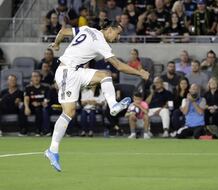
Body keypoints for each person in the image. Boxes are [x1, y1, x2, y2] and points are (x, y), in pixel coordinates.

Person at [44, 21, 150, 172]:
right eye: (118, 33)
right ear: (109, 29)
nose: (118, 37)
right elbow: (118, 66)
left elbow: (62, 32)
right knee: (69, 112)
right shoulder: (100, 41)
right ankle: (52, 150)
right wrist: (140, 72)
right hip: (68, 72)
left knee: (105, 75)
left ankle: (113, 105)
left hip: (76, 71)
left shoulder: (87, 29)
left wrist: (56, 44)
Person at [24, 71, 51, 136]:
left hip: (41, 106)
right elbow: (26, 98)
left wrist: (39, 103)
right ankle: (23, 129)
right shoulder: (28, 88)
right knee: (22, 108)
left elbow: (47, 99)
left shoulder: (46, 87)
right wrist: (27, 107)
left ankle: (38, 130)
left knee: (39, 109)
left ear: (40, 78)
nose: (36, 78)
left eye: (38, 76)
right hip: (31, 106)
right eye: (34, 76)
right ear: (31, 78)